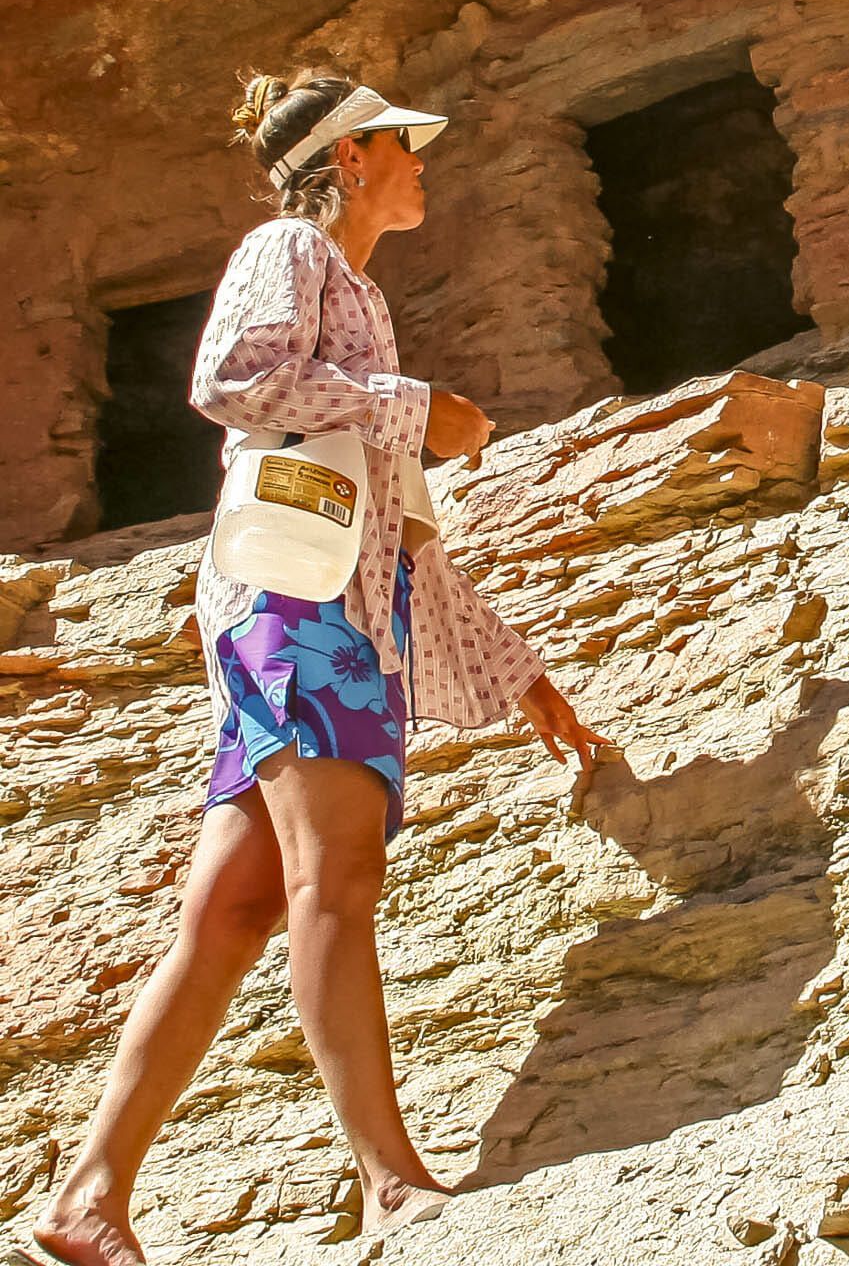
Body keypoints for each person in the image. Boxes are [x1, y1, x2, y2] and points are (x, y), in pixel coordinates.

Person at [28, 70, 607, 1266]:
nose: (422, 162)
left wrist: (525, 680)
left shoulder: (355, 294)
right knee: (333, 877)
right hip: (298, 611)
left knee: (232, 911)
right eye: (406, 145)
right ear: (351, 159)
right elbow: (230, 379)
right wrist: (418, 406)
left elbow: (404, 541)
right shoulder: (290, 247)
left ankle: (86, 1203)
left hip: (300, 605)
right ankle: (391, 1185)